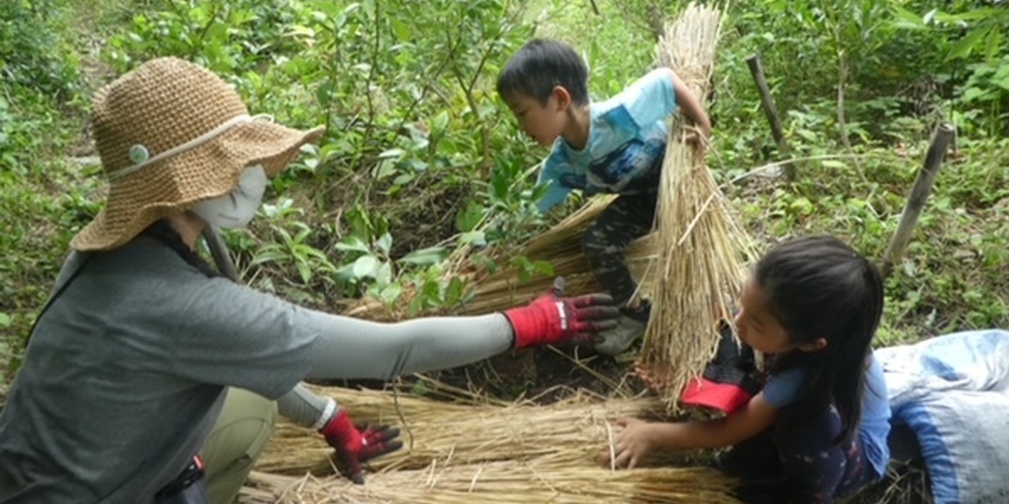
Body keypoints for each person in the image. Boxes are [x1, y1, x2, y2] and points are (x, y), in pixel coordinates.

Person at [0, 57, 618, 504]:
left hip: (34, 471)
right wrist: (532, 323)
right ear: (185, 187)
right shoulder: (183, 305)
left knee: (246, 405)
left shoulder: (112, 252)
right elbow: (396, 350)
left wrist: (329, 420)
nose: (253, 174)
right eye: (238, 163)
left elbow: (238, 356)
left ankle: (171, 466)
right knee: (238, 417)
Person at [603, 235, 891, 504]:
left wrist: (651, 434)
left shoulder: (802, 381)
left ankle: (801, 493)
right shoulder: (787, 319)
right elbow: (729, 328)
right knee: (732, 339)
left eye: (756, 323)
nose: (739, 320)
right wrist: (684, 375)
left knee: (809, 429)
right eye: (742, 304)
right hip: (793, 381)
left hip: (850, 459)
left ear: (811, 344)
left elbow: (730, 431)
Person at [496, 38, 712, 357]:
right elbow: (528, 211)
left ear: (559, 99)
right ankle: (637, 314)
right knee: (597, 242)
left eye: (522, 112)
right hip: (642, 202)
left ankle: (703, 303)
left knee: (690, 246)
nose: (520, 125)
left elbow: (666, 80)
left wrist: (703, 125)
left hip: (679, 185)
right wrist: (487, 245)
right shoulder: (560, 166)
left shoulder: (619, 115)